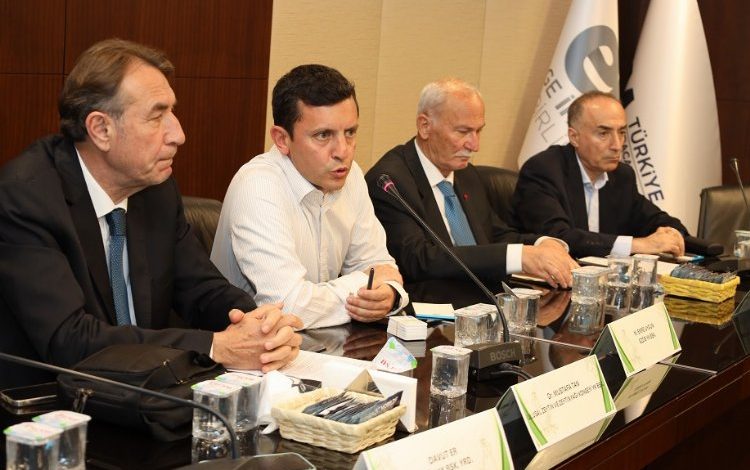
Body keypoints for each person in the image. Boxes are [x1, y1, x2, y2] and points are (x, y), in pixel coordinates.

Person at [0, 39, 302, 388]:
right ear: (101, 129)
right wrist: (215, 346)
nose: (179, 135)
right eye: (157, 116)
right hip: (52, 403)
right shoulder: (24, 199)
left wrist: (257, 324)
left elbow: (202, 289)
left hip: (149, 393)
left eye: (172, 112)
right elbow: (70, 340)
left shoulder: (155, 188)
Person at [211, 65, 408, 329]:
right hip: (244, 347)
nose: (343, 151)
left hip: (321, 341)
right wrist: (367, 281)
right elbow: (289, 305)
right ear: (282, 139)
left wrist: (388, 295)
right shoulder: (258, 185)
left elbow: (378, 264)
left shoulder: (350, 175)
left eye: (350, 132)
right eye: (323, 135)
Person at [365, 78, 578, 288]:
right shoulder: (390, 182)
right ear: (425, 126)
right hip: (429, 302)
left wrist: (541, 243)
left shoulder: (466, 174)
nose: (475, 146)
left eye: (478, 131)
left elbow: (493, 234)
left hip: (481, 298)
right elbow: (419, 260)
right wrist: (518, 256)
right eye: (463, 132)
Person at [510, 91, 688, 258]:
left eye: (621, 133)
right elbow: (558, 238)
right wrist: (638, 245)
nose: (617, 145)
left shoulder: (621, 176)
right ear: (574, 137)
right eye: (603, 133)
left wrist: (672, 234)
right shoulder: (543, 170)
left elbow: (654, 219)